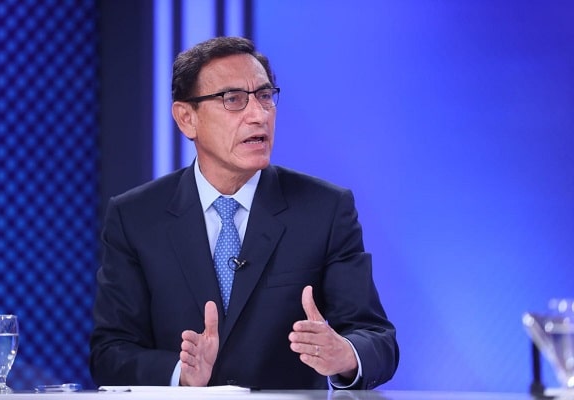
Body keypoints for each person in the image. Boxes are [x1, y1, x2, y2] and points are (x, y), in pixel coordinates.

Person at [89, 36, 398, 390]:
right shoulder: (135, 217)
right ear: (187, 118)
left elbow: (378, 340)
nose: (259, 114)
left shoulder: (325, 209)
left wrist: (344, 355)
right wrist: (180, 374)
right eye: (233, 99)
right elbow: (109, 354)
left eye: (265, 96)